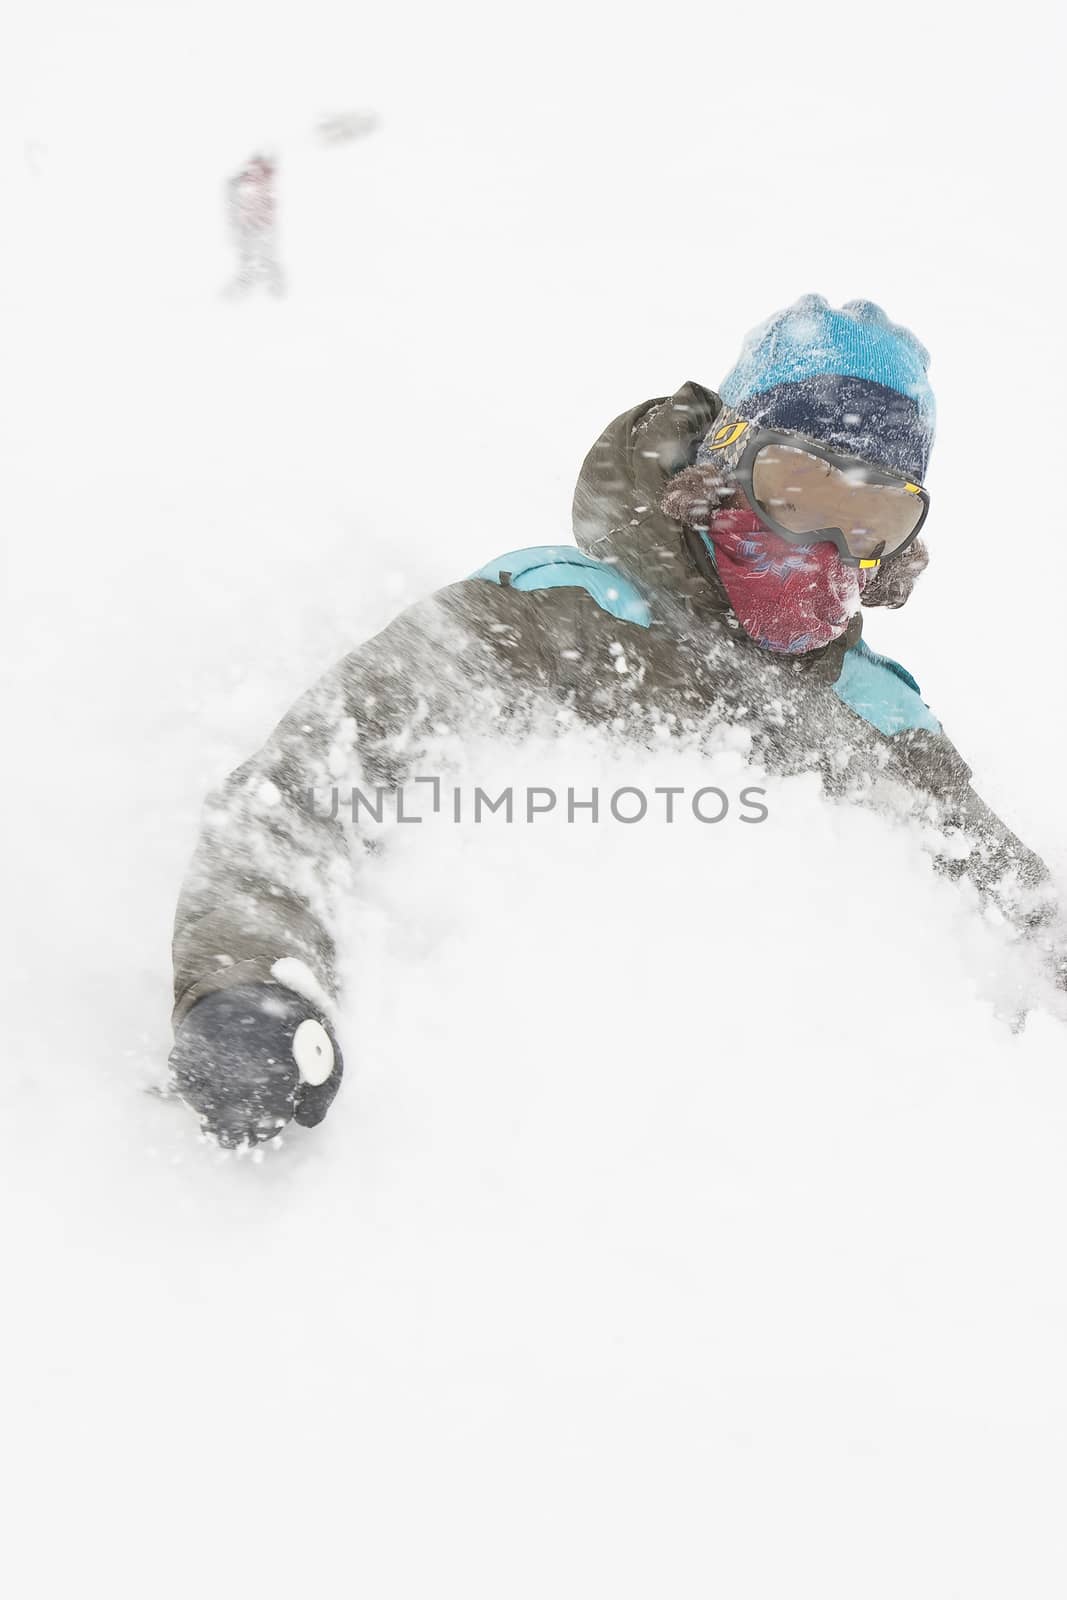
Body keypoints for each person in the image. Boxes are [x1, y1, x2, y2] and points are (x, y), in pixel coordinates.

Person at [169, 296, 1062, 1145]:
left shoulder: (876, 714)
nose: (818, 547)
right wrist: (250, 986)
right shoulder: (541, 617)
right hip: (486, 1131)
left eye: (867, 517)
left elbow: (1013, 909)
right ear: (721, 468)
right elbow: (302, 793)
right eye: (794, 490)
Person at [226, 153, 283, 296]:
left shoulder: (262, 176)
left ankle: (272, 283)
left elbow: (266, 201)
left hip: (260, 223)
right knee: (251, 255)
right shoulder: (252, 177)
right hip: (252, 222)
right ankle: (251, 280)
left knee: (263, 256)